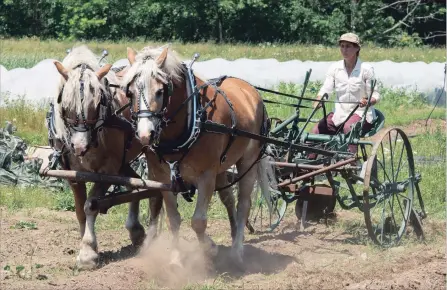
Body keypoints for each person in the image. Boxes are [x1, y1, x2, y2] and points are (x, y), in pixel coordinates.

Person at [310, 32, 380, 157]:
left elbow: (375, 95)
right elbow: (326, 89)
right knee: (316, 130)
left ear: (357, 48)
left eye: (348, 46)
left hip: (361, 114)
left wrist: (368, 101)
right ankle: (307, 168)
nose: (344, 49)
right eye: (342, 46)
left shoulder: (366, 69)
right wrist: (319, 100)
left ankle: (350, 163)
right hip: (339, 114)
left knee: (349, 128)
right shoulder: (335, 68)